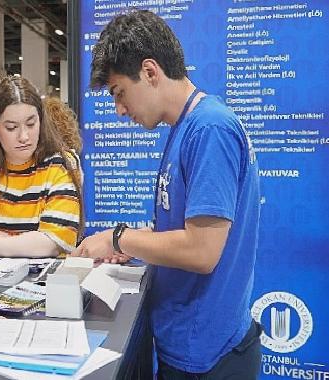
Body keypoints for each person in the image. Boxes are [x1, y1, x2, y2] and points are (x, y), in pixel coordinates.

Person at [73, 10, 261, 378]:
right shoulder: (186, 127)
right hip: (187, 342)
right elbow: (179, 231)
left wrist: (119, 238)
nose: (120, 109)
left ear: (149, 71)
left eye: (119, 93)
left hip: (209, 354)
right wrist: (126, 245)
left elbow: (202, 251)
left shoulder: (210, 129)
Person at [0, 76, 82, 258]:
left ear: (41, 121)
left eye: (31, 124)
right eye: (11, 127)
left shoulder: (62, 164)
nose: (24, 136)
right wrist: (34, 241)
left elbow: (55, 243)